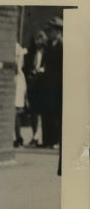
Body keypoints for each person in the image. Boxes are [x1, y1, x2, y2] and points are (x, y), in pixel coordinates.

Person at [39, 17, 63, 153]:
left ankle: (55, 140)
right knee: (46, 112)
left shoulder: (62, 45)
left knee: (56, 114)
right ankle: (46, 140)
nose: (49, 33)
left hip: (58, 86)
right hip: (47, 84)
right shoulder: (48, 46)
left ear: (58, 31)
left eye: (52, 30)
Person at [22, 30, 47, 147]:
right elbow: (26, 67)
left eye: (40, 39)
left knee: (44, 112)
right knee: (33, 112)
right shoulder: (30, 52)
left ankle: (44, 136)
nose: (38, 42)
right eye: (36, 39)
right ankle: (35, 135)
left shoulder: (47, 52)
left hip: (43, 84)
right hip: (33, 84)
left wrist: (42, 70)